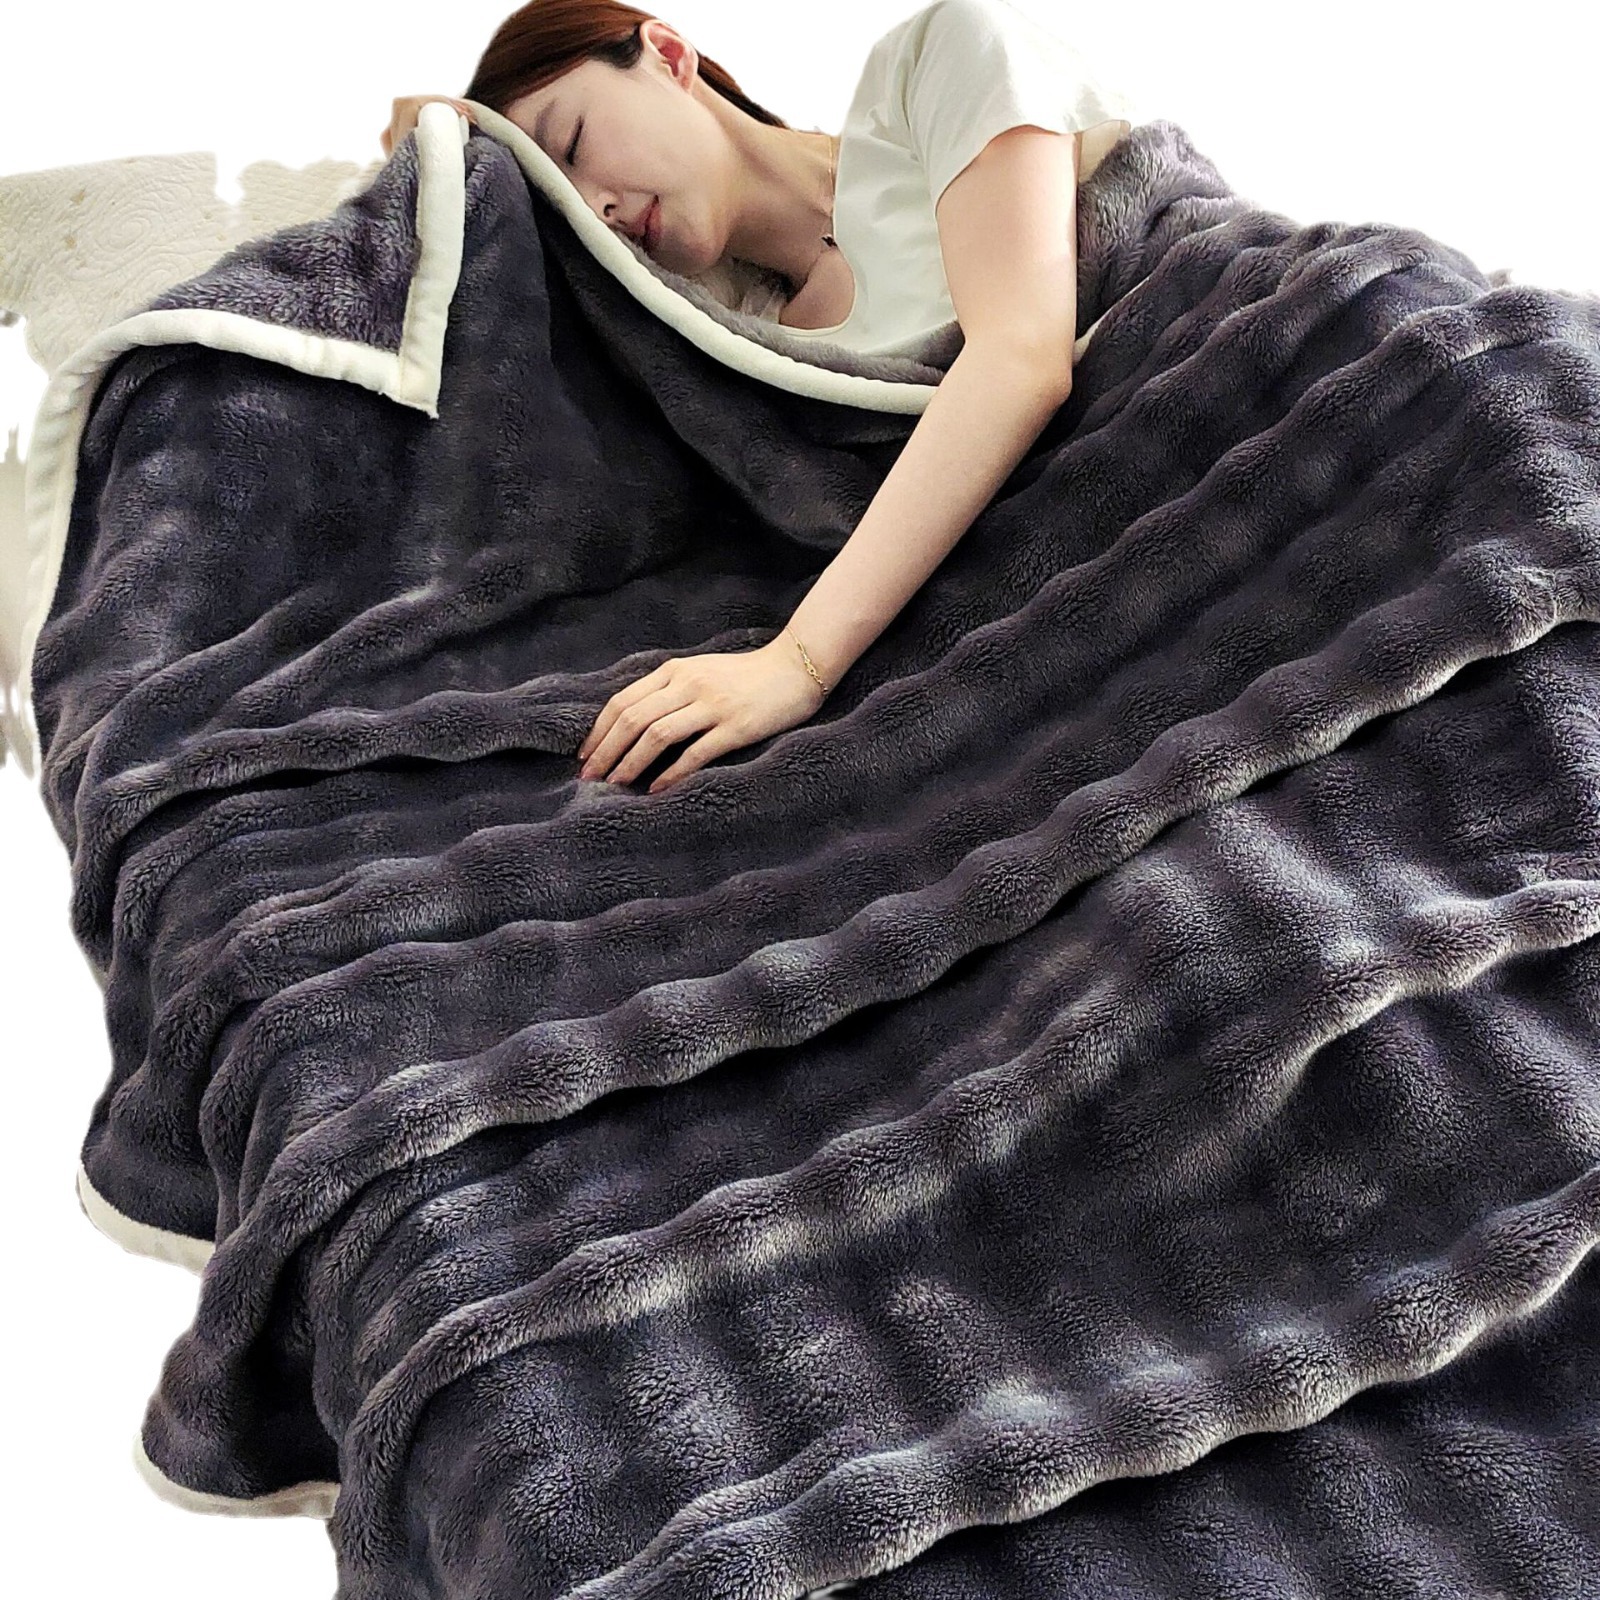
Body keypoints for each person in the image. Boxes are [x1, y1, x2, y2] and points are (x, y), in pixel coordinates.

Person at [381, 0, 1138, 797]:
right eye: (566, 197)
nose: (597, 205)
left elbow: (1021, 356)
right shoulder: (738, 356)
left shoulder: (934, 66)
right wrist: (435, 153)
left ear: (668, 54)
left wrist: (795, 663)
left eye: (572, 143)